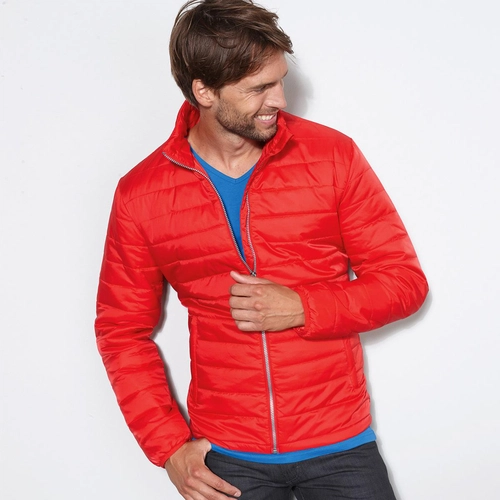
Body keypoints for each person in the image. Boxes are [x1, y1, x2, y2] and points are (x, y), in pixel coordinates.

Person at [95, 0, 428, 498]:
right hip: (228, 461)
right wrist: (168, 446)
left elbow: (404, 282)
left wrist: (304, 307)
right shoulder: (141, 194)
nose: (281, 100)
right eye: (259, 88)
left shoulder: (332, 157)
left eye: (280, 81)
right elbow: (121, 330)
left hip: (341, 447)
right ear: (203, 91)